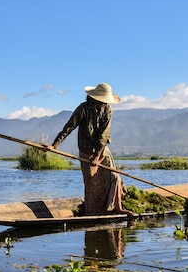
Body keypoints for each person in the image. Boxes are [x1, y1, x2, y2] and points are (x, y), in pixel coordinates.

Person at [47, 83, 134, 216]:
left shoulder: (108, 110)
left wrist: (97, 156)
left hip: (102, 150)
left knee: (114, 176)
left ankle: (117, 207)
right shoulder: (83, 109)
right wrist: (54, 146)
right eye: (103, 100)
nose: (105, 103)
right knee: (92, 185)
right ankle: (93, 213)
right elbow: (68, 128)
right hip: (86, 151)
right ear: (96, 98)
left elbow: (103, 135)